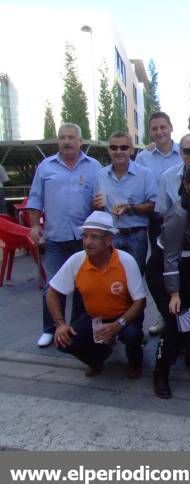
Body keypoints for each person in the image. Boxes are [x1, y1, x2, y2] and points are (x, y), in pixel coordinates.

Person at [27, 123, 101, 348]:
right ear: (57, 141)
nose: (66, 141)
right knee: (53, 286)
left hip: (85, 240)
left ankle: (77, 328)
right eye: (62, 137)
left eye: (71, 137)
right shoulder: (45, 166)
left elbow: (100, 199)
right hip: (55, 237)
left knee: (83, 287)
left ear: (81, 141)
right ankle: (50, 329)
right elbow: (35, 198)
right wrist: (33, 225)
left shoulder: (94, 167)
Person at [48, 211, 146, 379]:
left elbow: (140, 301)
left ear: (109, 240)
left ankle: (135, 361)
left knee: (132, 335)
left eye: (94, 237)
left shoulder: (126, 260)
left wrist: (117, 325)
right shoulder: (77, 260)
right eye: (85, 236)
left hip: (124, 317)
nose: (88, 242)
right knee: (64, 341)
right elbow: (52, 292)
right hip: (94, 317)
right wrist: (60, 324)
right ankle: (96, 359)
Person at [147, 163, 190, 399]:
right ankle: (160, 373)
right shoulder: (179, 213)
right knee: (175, 321)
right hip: (163, 269)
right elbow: (170, 257)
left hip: (185, 268)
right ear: (186, 185)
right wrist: (174, 293)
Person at [135, 111, 182, 336]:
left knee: (182, 267)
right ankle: (165, 314)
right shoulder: (144, 157)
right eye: (154, 129)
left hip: (184, 222)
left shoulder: (183, 152)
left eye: (163, 127)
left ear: (171, 127)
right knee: (161, 269)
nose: (159, 132)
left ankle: (184, 313)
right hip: (158, 221)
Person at [93, 131, 157, 273]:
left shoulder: (145, 174)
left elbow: (154, 205)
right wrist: (96, 205)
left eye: (124, 147)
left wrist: (130, 208)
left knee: (134, 279)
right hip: (110, 235)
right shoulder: (101, 175)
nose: (119, 151)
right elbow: (95, 206)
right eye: (114, 148)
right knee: (110, 277)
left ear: (131, 150)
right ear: (109, 150)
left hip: (136, 235)